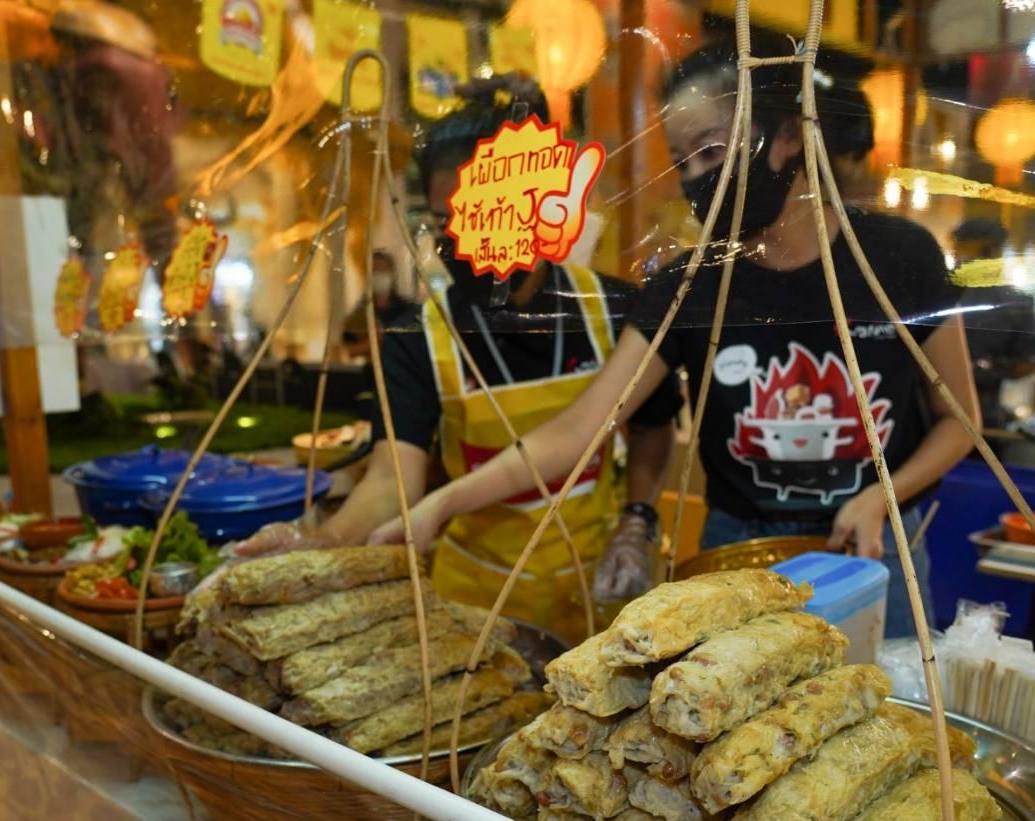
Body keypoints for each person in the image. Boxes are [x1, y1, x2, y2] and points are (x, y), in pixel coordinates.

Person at [372, 44, 980, 639]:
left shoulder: (900, 258)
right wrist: (442, 503)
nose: (696, 177)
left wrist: (880, 496)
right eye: (681, 160)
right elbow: (577, 431)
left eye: (710, 150)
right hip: (740, 551)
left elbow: (960, 420)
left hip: (878, 545)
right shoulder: (689, 284)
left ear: (789, 136)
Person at [234, 82, 681, 641]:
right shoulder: (416, 334)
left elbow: (652, 424)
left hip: (598, 590)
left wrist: (638, 520)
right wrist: (322, 539)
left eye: (485, 216)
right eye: (449, 225)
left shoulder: (613, 309)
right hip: (475, 603)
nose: (467, 242)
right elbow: (390, 479)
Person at [950, 219, 1035, 429]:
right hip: (985, 414)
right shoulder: (1016, 302)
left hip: (937, 410)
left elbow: (1027, 364)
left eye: (962, 249)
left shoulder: (938, 296)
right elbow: (1027, 364)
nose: (959, 257)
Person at [342, 250, 414, 356]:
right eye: (374, 271)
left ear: (392, 274)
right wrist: (374, 340)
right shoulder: (358, 315)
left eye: (383, 270)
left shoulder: (407, 310)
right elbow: (346, 352)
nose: (379, 275)